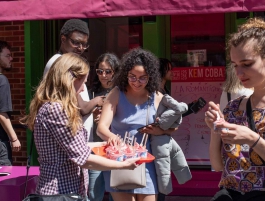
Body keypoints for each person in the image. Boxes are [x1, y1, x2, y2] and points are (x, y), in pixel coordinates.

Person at [20, 53, 138, 198]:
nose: (83, 89)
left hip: (67, 190)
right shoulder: (56, 109)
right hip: (59, 192)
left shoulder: (55, 106)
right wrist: (124, 164)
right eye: (82, 82)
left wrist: (103, 146)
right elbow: (83, 158)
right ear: (69, 79)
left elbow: (72, 147)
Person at [205, 17, 265, 201]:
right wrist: (215, 130)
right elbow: (219, 166)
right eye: (235, 65)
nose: (239, 73)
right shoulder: (234, 108)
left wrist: (254, 140)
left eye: (246, 64)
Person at [97, 48, 176, 201]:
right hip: (120, 161)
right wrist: (114, 138)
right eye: (132, 77)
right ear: (125, 74)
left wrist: (159, 131)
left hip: (146, 162)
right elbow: (101, 128)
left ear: (150, 77)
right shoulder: (116, 93)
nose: (136, 82)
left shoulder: (157, 97)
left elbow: (174, 126)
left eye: (142, 78)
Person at [43, 18, 104, 141]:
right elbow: (81, 107)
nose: (81, 48)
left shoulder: (65, 61)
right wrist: (98, 100)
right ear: (63, 39)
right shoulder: (60, 63)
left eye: (84, 44)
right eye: (76, 42)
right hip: (71, 143)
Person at [88, 53, 119, 201]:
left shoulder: (121, 92)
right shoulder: (91, 94)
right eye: (100, 71)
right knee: (94, 193)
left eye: (108, 71)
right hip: (96, 147)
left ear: (115, 71)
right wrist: (92, 116)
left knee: (117, 192)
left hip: (115, 147)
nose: (104, 75)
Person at [0, 40, 21, 165]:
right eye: (7, 55)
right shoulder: (0, 80)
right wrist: (14, 138)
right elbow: (1, 113)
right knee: (2, 180)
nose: (11, 58)